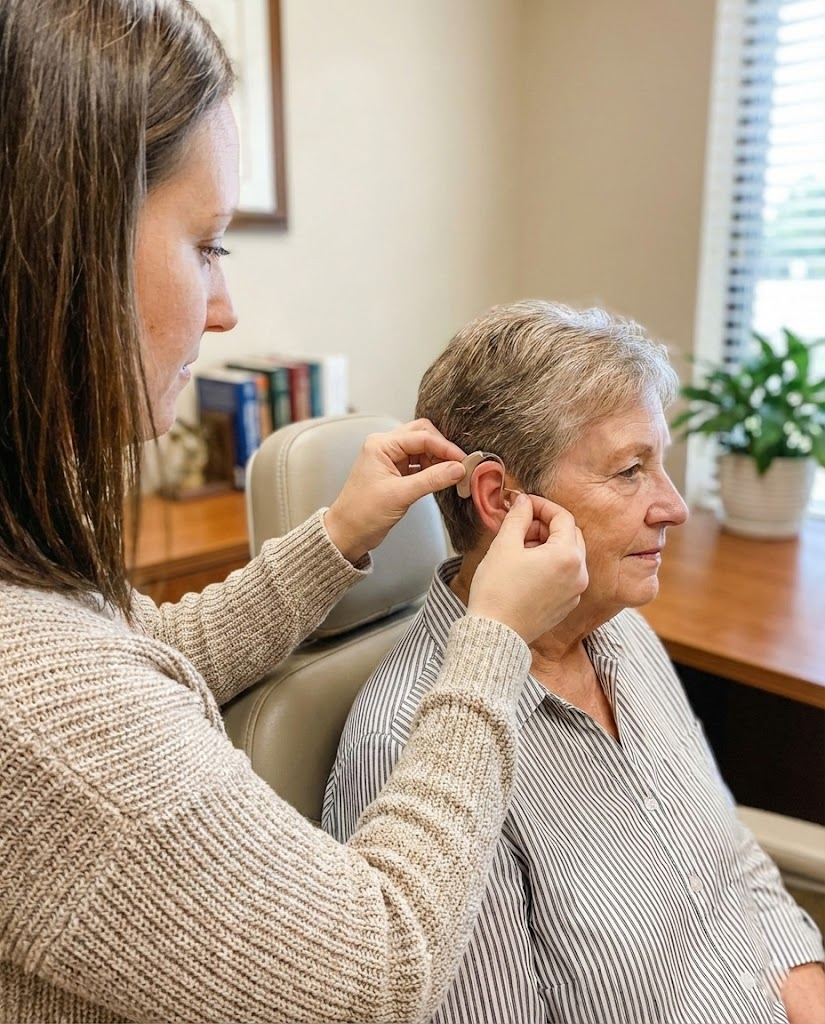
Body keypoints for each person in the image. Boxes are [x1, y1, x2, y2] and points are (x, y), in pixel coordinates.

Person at [0, 6, 590, 1023]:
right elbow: (379, 970)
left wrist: (339, 535)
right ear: (65, 248)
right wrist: (495, 639)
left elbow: (143, 655)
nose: (224, 306)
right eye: (206, 245)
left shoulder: (41, 600)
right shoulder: (35, 705)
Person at [323, 300, 825, 1024]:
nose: (674, 507)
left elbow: (732, 864)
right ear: (502, 500)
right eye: (630, 471)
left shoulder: (620, 629)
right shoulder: (408, 749)